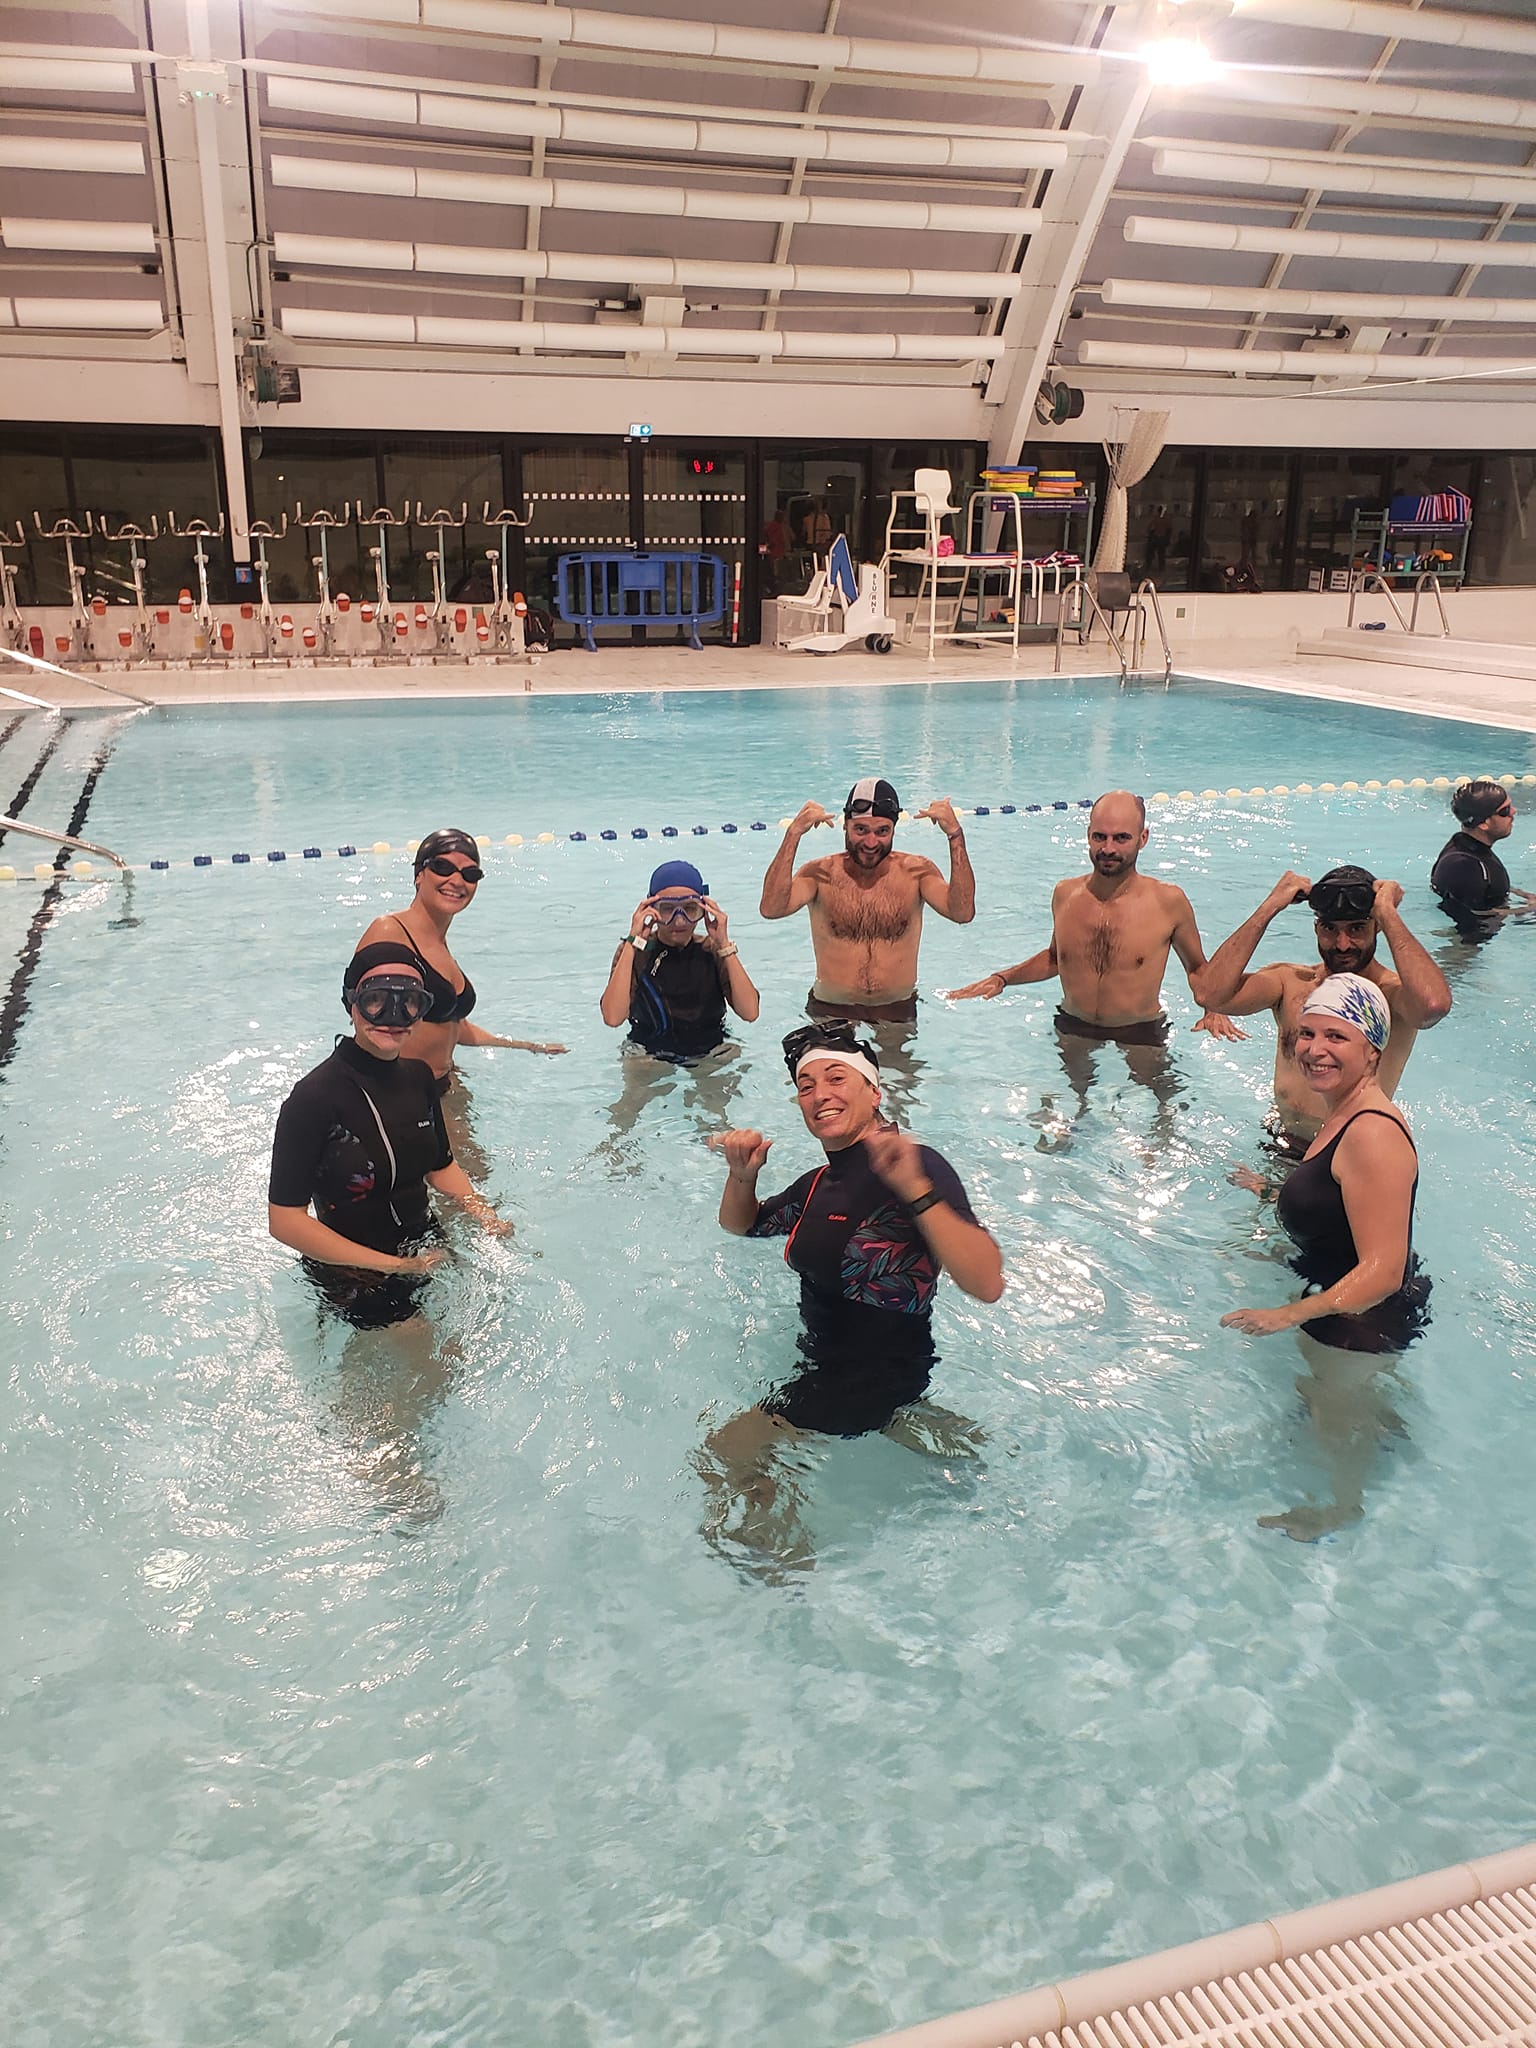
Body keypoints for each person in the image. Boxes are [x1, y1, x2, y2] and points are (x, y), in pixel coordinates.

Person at [700, 1021, 1003, 1571]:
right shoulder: (820, 1181)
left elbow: (986, 1284)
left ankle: (784, 1572)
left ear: (874, 1090)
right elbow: (742, 1227)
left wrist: (918, 1192)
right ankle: (911, 1425)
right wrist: (742, 1177)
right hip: (826, 1359)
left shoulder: (916, 1166)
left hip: (877, 1369)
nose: (819, 1095)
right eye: (806, 1085)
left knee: (724, 1452)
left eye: (836, 1077)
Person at [1221, 973, 1430, 1542]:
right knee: (1333, 1394)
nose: (1314, 1049)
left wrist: (1284, 1316)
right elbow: (1343, 1199)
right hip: (1345, 1301)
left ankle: (1344, 1503)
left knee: (1327, 1409)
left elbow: (1383, 1272)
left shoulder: (1372, 1132)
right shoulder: (1340, 1112)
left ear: (1372, 1048)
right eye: (1306, 1033)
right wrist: (1272, 1191)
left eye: (1336, 1037)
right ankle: (1376, 1414)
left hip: (1362, 1318)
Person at [945, 790, 1240, 1133]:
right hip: (1075, 1024)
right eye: (1099, 836)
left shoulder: (1168, 902)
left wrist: (1213, 1007)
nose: (1108, 848)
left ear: (1143, 839)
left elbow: (1198, 970)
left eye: (1121, 838)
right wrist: (1003, 978)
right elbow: (1057, 958)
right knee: (1072, 1105)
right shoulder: (1065, 894)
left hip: (1140, 1031)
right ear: (1088, 835)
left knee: (1162, 1111)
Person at [267, 943, 514, 1330]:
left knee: (456, 1351)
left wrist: (483, 1213)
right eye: (376, 1000)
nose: (393, 1017)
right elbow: (284, 1222)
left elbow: (441, 1166)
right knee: (419, 1365)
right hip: (352, 1269)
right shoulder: (313, 1098)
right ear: (351, 1004)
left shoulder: (419, 1079)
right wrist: (396, 1266)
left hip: (423, 1244)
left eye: (410, 1001)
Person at [1193, 864, 1451, 1147]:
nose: (1342, 944)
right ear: (1316, 928)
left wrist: (1388, 914)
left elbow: (1433, 1006)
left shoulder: (1391, 996)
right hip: (1280, 1141)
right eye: (1330, 929)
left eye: (1357, 928)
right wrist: (1270, 906)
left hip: (1347, 1151)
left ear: (1376, 927)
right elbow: (1210, 994)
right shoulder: (1290, 982)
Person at [357, 827, 568, 1091]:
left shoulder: (439, 943)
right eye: (443, 867)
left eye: (470, 874)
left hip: (446, 1085)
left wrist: (525, 1046)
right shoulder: (390, 931)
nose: (457, 881)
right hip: (405, 1094)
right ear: (419, 875)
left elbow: (450, 1024)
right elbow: (362, 1017)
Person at [759, 778, 975, 1028]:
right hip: (831, 1008)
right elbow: (771, 909)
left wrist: (955, 835)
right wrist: (793, 833)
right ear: (845, 826)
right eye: (860, 830)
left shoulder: (916, 873)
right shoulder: (820, 874)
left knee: (898, 1069)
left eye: (882, 831)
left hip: (897, 1007)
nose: (871, 843)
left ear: (894, 829)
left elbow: (962, 913)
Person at [598, 858, 760, 1145]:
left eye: (690, 909)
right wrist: (632, 940)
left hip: (710, 1050)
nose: (679, 920)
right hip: (647, 1052)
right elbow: (612, 1017)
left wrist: (724, 943)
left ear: (704, 910)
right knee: (624, 1120)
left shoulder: (713, 949)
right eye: (667, 910)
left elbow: (750, 1012)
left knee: (717, 1123)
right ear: (651, 910)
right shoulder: (636, 951)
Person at [1430, 779, 1536, 940]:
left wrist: (1521, 895)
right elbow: (1475, 916)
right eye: (1505, 811)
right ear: (1484, 824)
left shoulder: (1465, 847)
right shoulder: (1465, 866)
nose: (1513, 812)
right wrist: (1525, 910)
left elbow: (1483, 888)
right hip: (1466, 946)